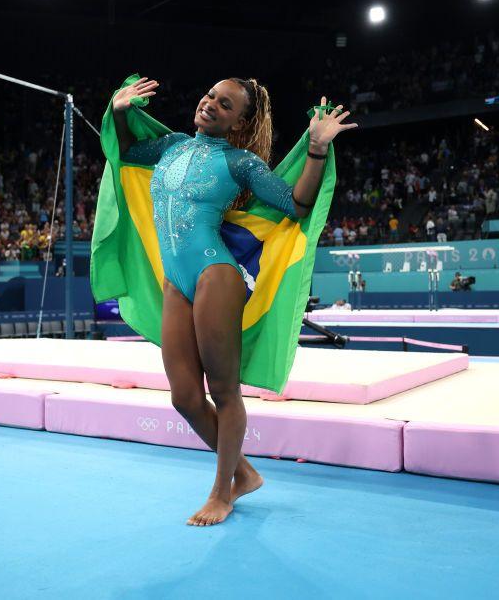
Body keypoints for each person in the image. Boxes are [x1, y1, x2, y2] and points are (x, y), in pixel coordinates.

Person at [109, 76, 355, 526]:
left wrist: (317, 149)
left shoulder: (240, 163)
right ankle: (243, 473)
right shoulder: (170, 146)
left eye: (225, 105)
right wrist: (121, 112)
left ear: (239, 124)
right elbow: (124, 153)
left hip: (214, 275)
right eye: (209, 96)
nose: (211, 105)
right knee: (184, 397)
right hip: (176, 281)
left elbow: (295, 205)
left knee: (223, 391)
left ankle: (222, 492)